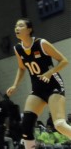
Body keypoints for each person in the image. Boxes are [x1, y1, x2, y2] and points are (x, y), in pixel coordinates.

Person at [7, 18, 71, 149]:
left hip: (54, 86)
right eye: (16, 26)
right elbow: (21, 68)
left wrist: (49, 73)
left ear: (29, 29)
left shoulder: (41, 43)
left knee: (59, 124)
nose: (17, 28)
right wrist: (15, 85)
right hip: (37, 90)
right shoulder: (18, 48)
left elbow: (64, 61)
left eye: (20, 26)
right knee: (26, 126)